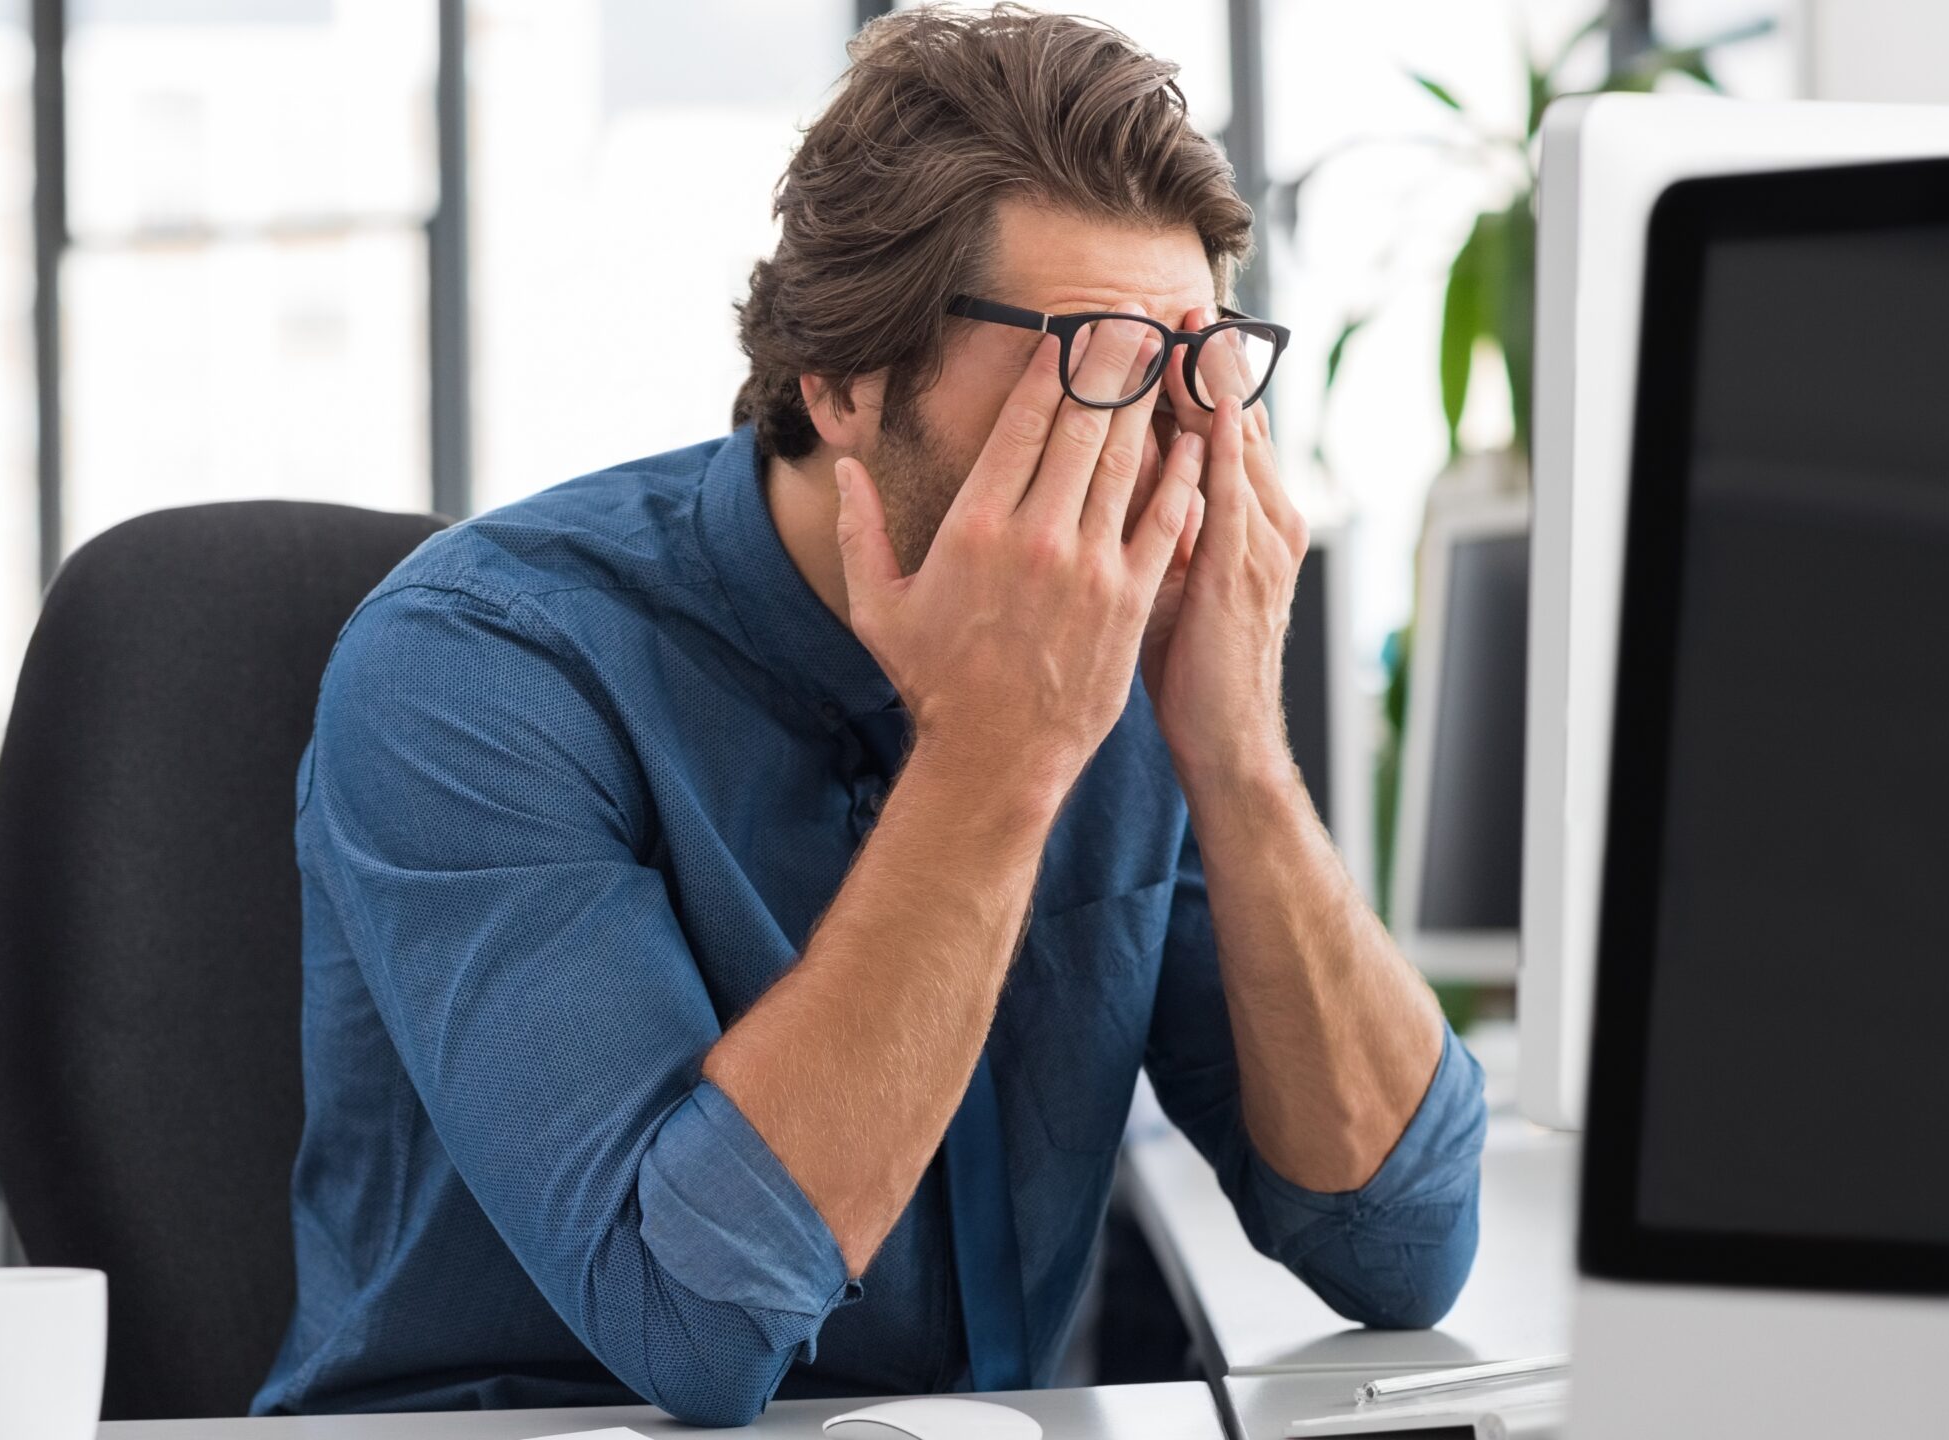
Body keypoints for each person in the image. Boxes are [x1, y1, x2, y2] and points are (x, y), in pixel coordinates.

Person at [253, 6, 1485, 1426]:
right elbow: (693, 1330)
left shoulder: (1139, 661)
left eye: (1193, 372)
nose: (1153, 455)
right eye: (1093, 362)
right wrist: (998, 756)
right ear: (843, 380)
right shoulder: (475, 669)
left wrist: (1238, 754)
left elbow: (1398, 1245)